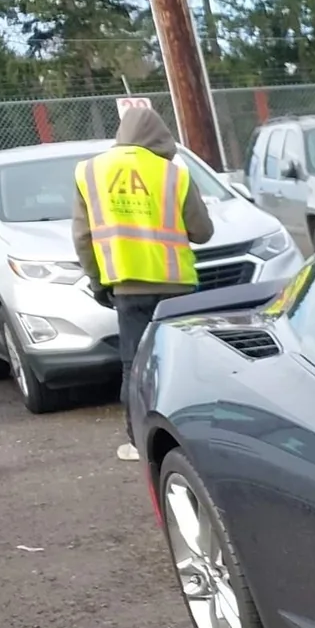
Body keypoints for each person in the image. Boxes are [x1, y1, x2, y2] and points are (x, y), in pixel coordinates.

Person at [72, 107, 213, 461]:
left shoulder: (90, 172)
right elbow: (203, 232)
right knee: (183, 364)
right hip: (177, 288)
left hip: (128, 288)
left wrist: (98, 282)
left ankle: (137, 442)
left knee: (134, 366)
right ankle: (195, 437)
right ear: (161, 136)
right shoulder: (174, 175)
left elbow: (82, 237)